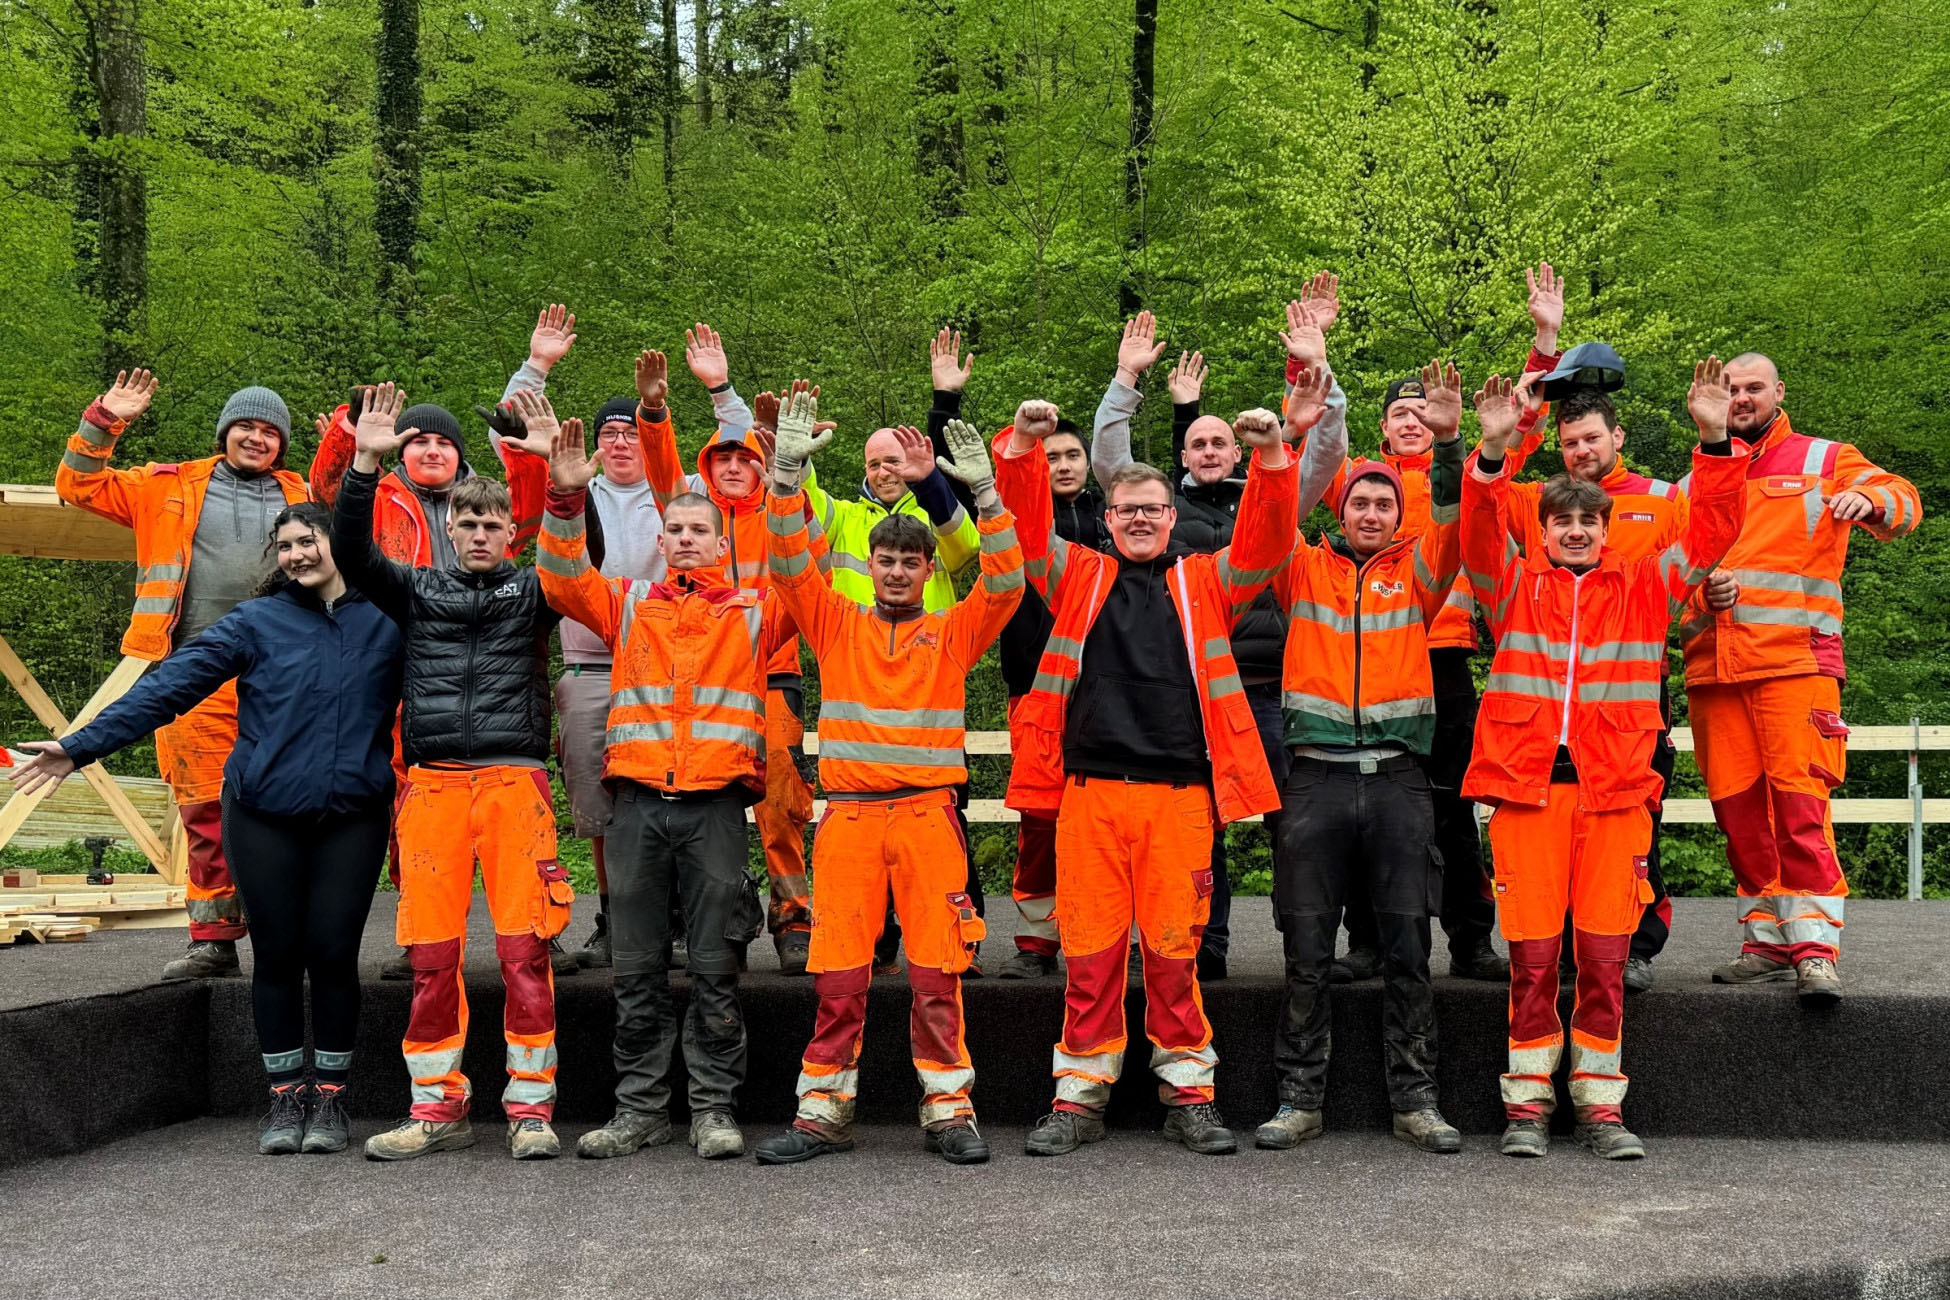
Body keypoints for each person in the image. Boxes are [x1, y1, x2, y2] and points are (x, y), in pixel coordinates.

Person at [12, 503, 403, 1155]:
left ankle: (331, 1100)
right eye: (284, 546)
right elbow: (164, 691)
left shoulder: (389, 623)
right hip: (261, 815)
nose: (296, 554)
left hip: (352, 816)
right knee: (277, 956)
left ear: (342, 544)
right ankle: (283, 1100)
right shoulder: (255, 623)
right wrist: (77, 747)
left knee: (334, 956)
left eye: (308, 541)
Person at [1002, 392, 1319, 1159]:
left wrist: (1275, 456)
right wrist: (1020, 445)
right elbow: (1017, 527)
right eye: (1126, 511)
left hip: (1180, 802)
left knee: (1176, 956)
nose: (1139, 520)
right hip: (1089, 798)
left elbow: (1270, 541)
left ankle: (1191, 1096)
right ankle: (1078, 1098)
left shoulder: (1206, 581)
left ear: (1171, 516)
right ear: (1106, 520)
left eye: (1151, 509)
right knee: (1091, 957)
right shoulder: (1075, 575)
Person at [1463, 360, 1748, 1160]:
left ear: (1608, 529)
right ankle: (1525, 1107)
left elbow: (1715, 529)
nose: (1578, 532)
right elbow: (1479, 528)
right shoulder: (1508, 589)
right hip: (1527, 795)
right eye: (1563, 523)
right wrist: (1491, 453)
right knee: (1531, 961)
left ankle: (1599, 1107)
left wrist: (1715, 439)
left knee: (1603, 959)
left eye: (1590, 522)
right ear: (1544, 531)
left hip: (1615, 793)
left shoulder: (1646, 586)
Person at [754, 396, 1023, 1167]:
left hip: (928, 819)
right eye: (887, 560)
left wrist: (986, 494)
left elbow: (1005, 582)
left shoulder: (952, 630)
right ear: (868, 565)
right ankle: (822, 1111)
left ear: (927, 569)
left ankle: (949, 1111)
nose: (898, 571)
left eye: (911, 562)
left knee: (938, 974)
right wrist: (785, 473)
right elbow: (785, 561)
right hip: (849, 823)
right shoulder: (835, 621)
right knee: (839, 975)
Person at [333, 384, 583, 1163]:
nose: (478, 532)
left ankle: (531, 1109)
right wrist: (366, 464)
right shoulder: (415, 589)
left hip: (513, 784)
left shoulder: (533, 588)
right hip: (434, 784)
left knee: (523, 954)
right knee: (433, 956)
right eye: (466, 522)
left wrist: (558, 482)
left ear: (511, 531)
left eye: (491, 523)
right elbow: (350, 553)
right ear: (449, 526)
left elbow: (577, 560)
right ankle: (437, 1108)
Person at [1306, 268, 1561, 986]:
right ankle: (1367, 942)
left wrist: (1544, 340)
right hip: (1365, 664)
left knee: (1449, 811)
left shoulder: (1472, 472)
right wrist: (1314, 345)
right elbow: (1314, 437)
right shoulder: (1357, 480)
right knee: (1362, 804)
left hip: (1443, 661)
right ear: (1383, 427)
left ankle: (1471, 940)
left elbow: (1516, 424)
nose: (1411, 420)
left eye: (1422, 411)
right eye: (1399, 414)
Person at [534, 412, 775, 1161]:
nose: (686, 539)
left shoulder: (755, 613)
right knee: (634, 973)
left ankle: (712, 1110)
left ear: (723, 542)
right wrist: (565, 502)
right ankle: (639, 1110)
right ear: (661, 538)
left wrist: (788, 483)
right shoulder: (630, 603)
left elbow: (804, 576)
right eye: (675, 529)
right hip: (638, 808)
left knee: (714, 973)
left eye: (700, 530)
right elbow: (561, 577)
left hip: (715, 813)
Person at [495, 311, 759, 970]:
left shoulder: (680, 498)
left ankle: (676, 918)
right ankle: (617, 918)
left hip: (675, 661)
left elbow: (743, 449)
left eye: (628, 433)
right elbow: (512, 431)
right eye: (607, 433)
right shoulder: (574, 485)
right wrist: (537, 364)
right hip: (590, 664)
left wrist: (713, 388)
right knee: (598, 800)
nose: (617, 443)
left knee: (679, 793)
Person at [1255, 359, 1469, 1155]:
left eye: (1384, 502)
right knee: (1306, 948)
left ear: (1397, 512)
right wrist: (1299, 425)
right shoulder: (1300, 567)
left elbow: (1458, 520)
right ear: (1339, 509)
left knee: (1410, 948)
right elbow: (1273, 517)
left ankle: (1417, 1099)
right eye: (1360, 502)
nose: (1373, 512)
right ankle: (1298, 1097)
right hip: (1313, 778)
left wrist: (1449, 446)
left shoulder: (1417, 573)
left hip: (1398, 780)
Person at [312, 339, 563, 980]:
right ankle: (418, 927)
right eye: (417, 440)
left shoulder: (510, 550)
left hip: (498, 710)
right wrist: (361, 456)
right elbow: (346, 535)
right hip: (392, 668)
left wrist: (549, 461)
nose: (430, 449)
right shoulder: (388, 512)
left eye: (443, 442)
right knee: (406, 800)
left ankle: (533, 925)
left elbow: (557, 536)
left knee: (514, 843)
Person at [55, 367, 311, 981]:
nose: (256, 438)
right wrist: (104, 420)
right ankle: (214, 941)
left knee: (292, 808)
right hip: (193, 670)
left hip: (285, 673)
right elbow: (76, 485)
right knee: (204, 809)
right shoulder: (165, 486)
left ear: (282, 444)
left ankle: (293, 940)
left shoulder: (304, 494)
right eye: (245, 426)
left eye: (269, 431)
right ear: (225, 431)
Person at [1685, 353, 1922, 1004]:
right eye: (1730, 388)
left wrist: (1870, 497)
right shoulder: (1694, 480)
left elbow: (1905, 504)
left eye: (1753, 387)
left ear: (1777, 392)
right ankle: (1767, 942)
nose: (1741, 397)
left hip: (1795, 662)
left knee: (1798, 809)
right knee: (1739, 816)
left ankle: (1816, 951)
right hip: (1714, 669)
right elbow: (1666, 581)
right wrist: (1702, 596)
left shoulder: (1825, 459)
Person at [1088, 310, 1305, 981]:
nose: (1211, 451)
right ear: (1185, 456)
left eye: (1221, 444)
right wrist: (1126, 381)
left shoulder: (1267, 508)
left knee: (1288, 828)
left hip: (1267, 693)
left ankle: (1302, 945)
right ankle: (1201, 950)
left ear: (1239, 453)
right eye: (1198, 443)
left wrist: (1308, 382)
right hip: (1192, 696)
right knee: (1195, 829)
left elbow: (1310, 461)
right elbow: (1112, 467)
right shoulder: (1159, 515)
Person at [1499, 356, 1687, 992]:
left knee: (1635, 824)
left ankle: (1631, 945)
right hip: (1552, 690)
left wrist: (1719, 586)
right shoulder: (1550, 503)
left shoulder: (1665, 500)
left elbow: (1710, 555)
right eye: (1570, 442)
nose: (1581, 451)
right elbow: (1485, 494)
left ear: (1618, 438)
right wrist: (1539, 362)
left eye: (1592, 440)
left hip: (1632, 687)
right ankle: (1566, 946)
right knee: (1558, 827)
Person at [633, 345, 823, 974]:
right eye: (724, 457)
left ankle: (793, 920)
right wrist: (655, 413)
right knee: (707, 808)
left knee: (780, 803)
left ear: (765, 467)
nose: (735, 465)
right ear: (706, 468)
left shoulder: (785, 515)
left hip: (774, 675)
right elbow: (662, 474)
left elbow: (811, 561)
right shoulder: (696, 521)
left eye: (747, 457)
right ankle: (720, 925)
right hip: (704, 681)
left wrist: (783, 460)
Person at [991, 409, 1109, 981]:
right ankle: (1036, 940)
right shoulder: (1021, 518)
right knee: (1041, 816)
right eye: (1051, 456)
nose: (1062, 465)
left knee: (1105, 818)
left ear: (1089, 464)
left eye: (1072, 455)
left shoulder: (1115, 521)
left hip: (1106, 691)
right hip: (1033, 687)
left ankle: (1104, 933)